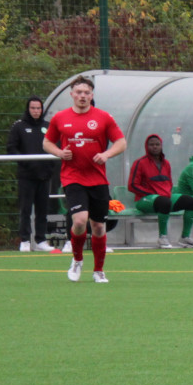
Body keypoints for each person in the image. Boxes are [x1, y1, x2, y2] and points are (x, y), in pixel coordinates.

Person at [43, 75, 126, 283]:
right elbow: (47, 143)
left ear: (92, 95)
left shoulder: (103, 117)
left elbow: (121, 142)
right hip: (73, 178)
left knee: (98, 227)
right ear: (72, 94)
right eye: (78, 92)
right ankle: (77, 259)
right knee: (80, 221)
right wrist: (60, 153)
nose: (82, 96)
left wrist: (106, 154)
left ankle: (98, 270)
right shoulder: (60, 118)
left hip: (98, 179)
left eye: (86, 93)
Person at [127, 133, 193, 247]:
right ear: (146, 146)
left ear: (161, 146)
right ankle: (163, 237)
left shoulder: (166, 163)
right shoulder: (140, 163)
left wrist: (165, 194)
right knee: (164, 201)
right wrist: (152, 194)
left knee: (192, 201)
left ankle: (185, 237)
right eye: (151, 144)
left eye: (157, 144)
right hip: (144, 200)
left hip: (164, 199)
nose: (155, 147)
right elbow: (132, 185)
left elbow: (169, 182)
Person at [9, 96, 58, 252]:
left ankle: (41, 240)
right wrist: (26, 163)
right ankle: (24, 240)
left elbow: (55, 146)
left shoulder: (48, 126)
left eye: (38, 108)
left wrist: (49, 166)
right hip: (26, 176)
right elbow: (11, 148)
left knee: (42, 209)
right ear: (28, 109)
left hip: (44, 176)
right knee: (25, 209)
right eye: (33, 108)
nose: (36, 111)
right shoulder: (19, 127)